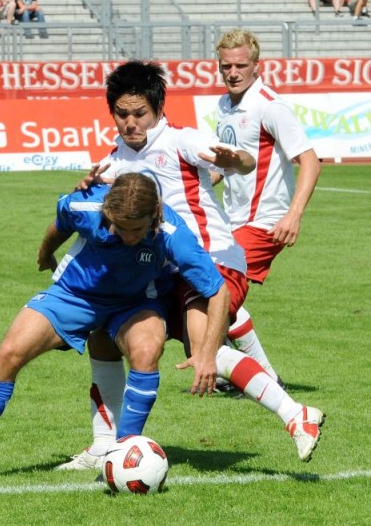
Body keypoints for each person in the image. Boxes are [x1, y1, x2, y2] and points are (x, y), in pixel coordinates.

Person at [55, 60, 324, 471]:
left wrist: (236, 159)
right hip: (164, 271)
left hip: (212, 259)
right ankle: (103, 444)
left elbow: (237, 163)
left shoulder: (182, 141)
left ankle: (295, 414)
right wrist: (86, 187)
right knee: (104, 334)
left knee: (205, 351)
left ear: (159, 110)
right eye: (122, 114)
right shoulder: (113, 161)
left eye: (140, 114)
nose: (131, 123)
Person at [0, 173, 231, 483]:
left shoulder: (173, 232)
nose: (128, 237)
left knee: (147, 351)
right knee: (10, 352)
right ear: (108, 213)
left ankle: (119, 459)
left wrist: (207, 353)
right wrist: (45, 252)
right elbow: (60, 222)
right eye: (120, 227)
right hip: (73, 294)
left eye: (136, 229)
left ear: (155, 215)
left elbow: (218, 290)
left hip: (135, 303)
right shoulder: (86, 205)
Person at [212, 27, 321, 382]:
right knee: (211, 292)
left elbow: (310, 160)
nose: (233, 72)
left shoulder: (269, 106)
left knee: (214, 299)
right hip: (232, 221)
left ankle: (235, 372)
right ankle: (265, 377)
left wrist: (294, 215)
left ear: (256, 66)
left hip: (264, 222)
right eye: (226, 65)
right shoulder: (224, 105)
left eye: (240, 65)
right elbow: (224, 165)